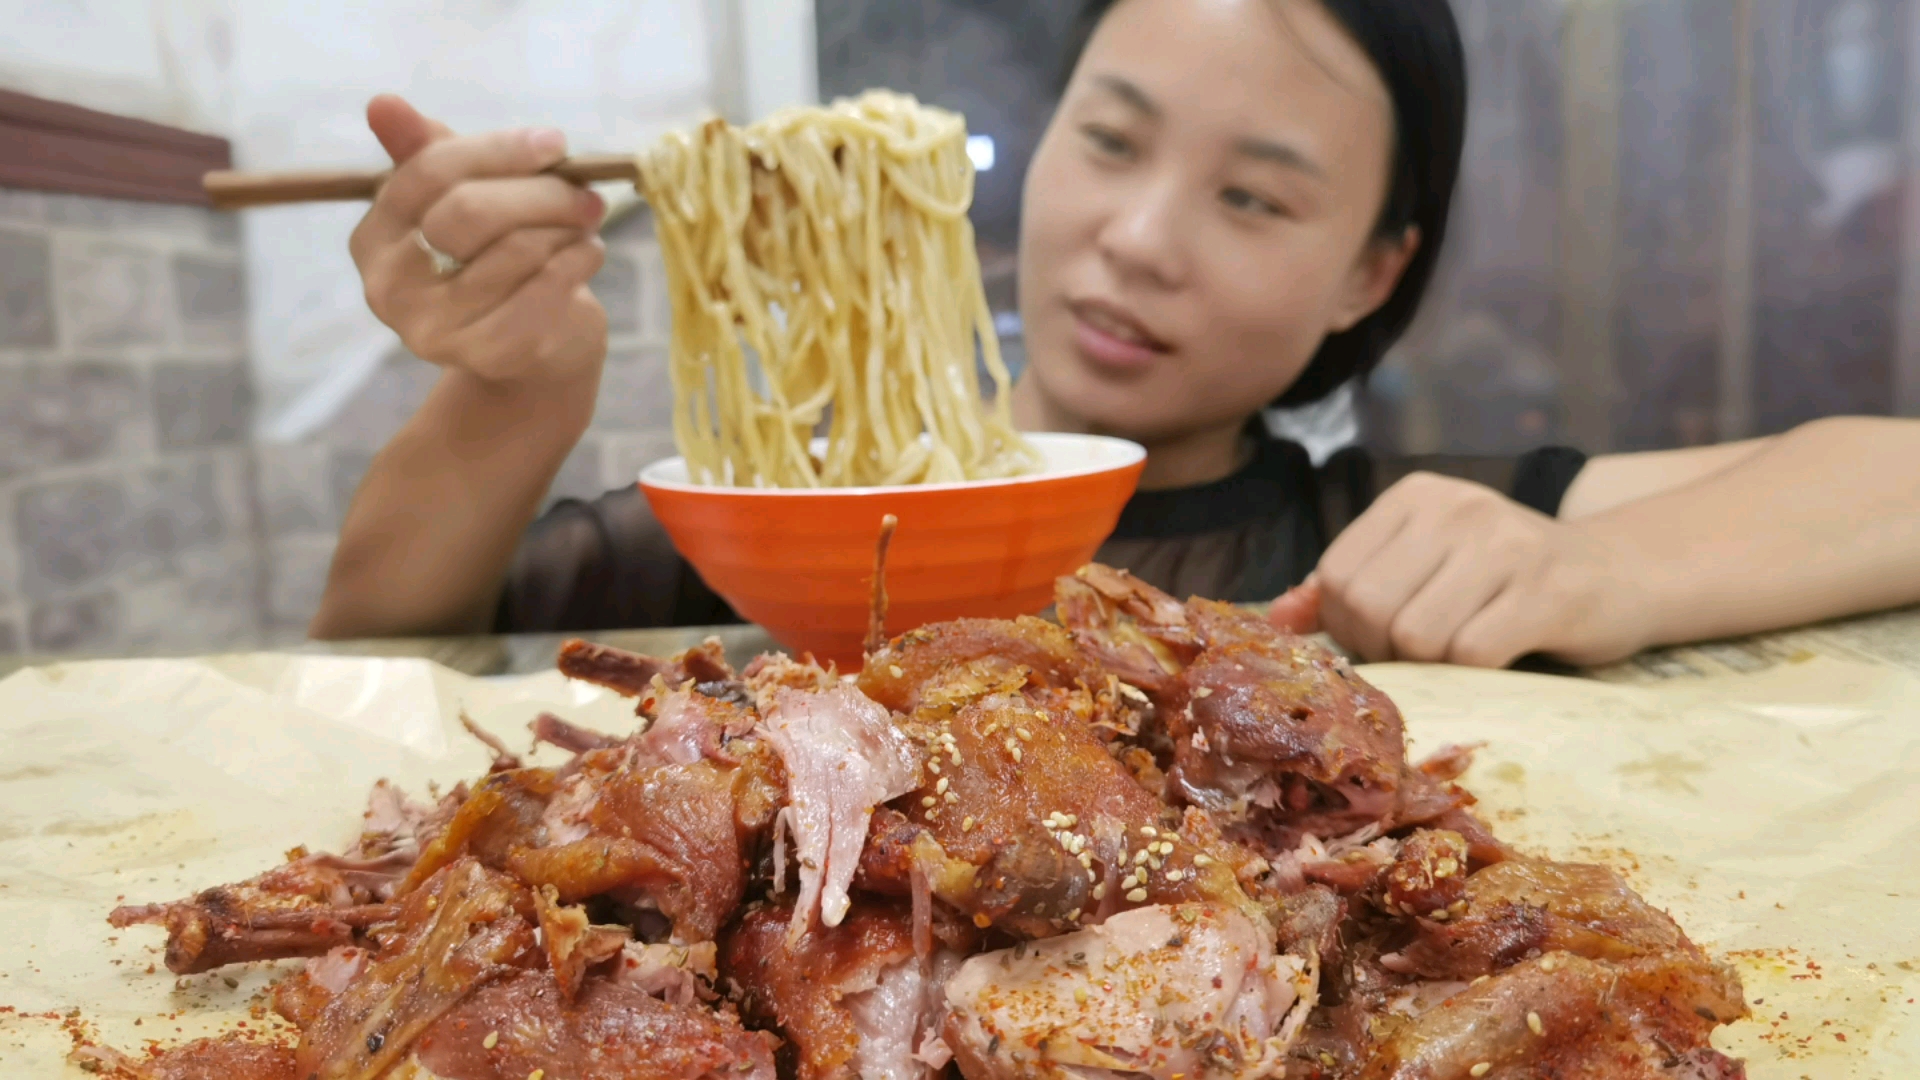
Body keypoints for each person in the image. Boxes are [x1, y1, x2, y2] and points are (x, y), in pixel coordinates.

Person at [312, 0, 1920, 671]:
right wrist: (509, 394)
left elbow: (1889, 475)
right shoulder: (784, 525)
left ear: (1372, 272)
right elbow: (383, 637)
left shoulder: (1377, 540)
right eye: (1112, 141)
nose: (1139, 240)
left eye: (1255, 199)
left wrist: (1601, 573)